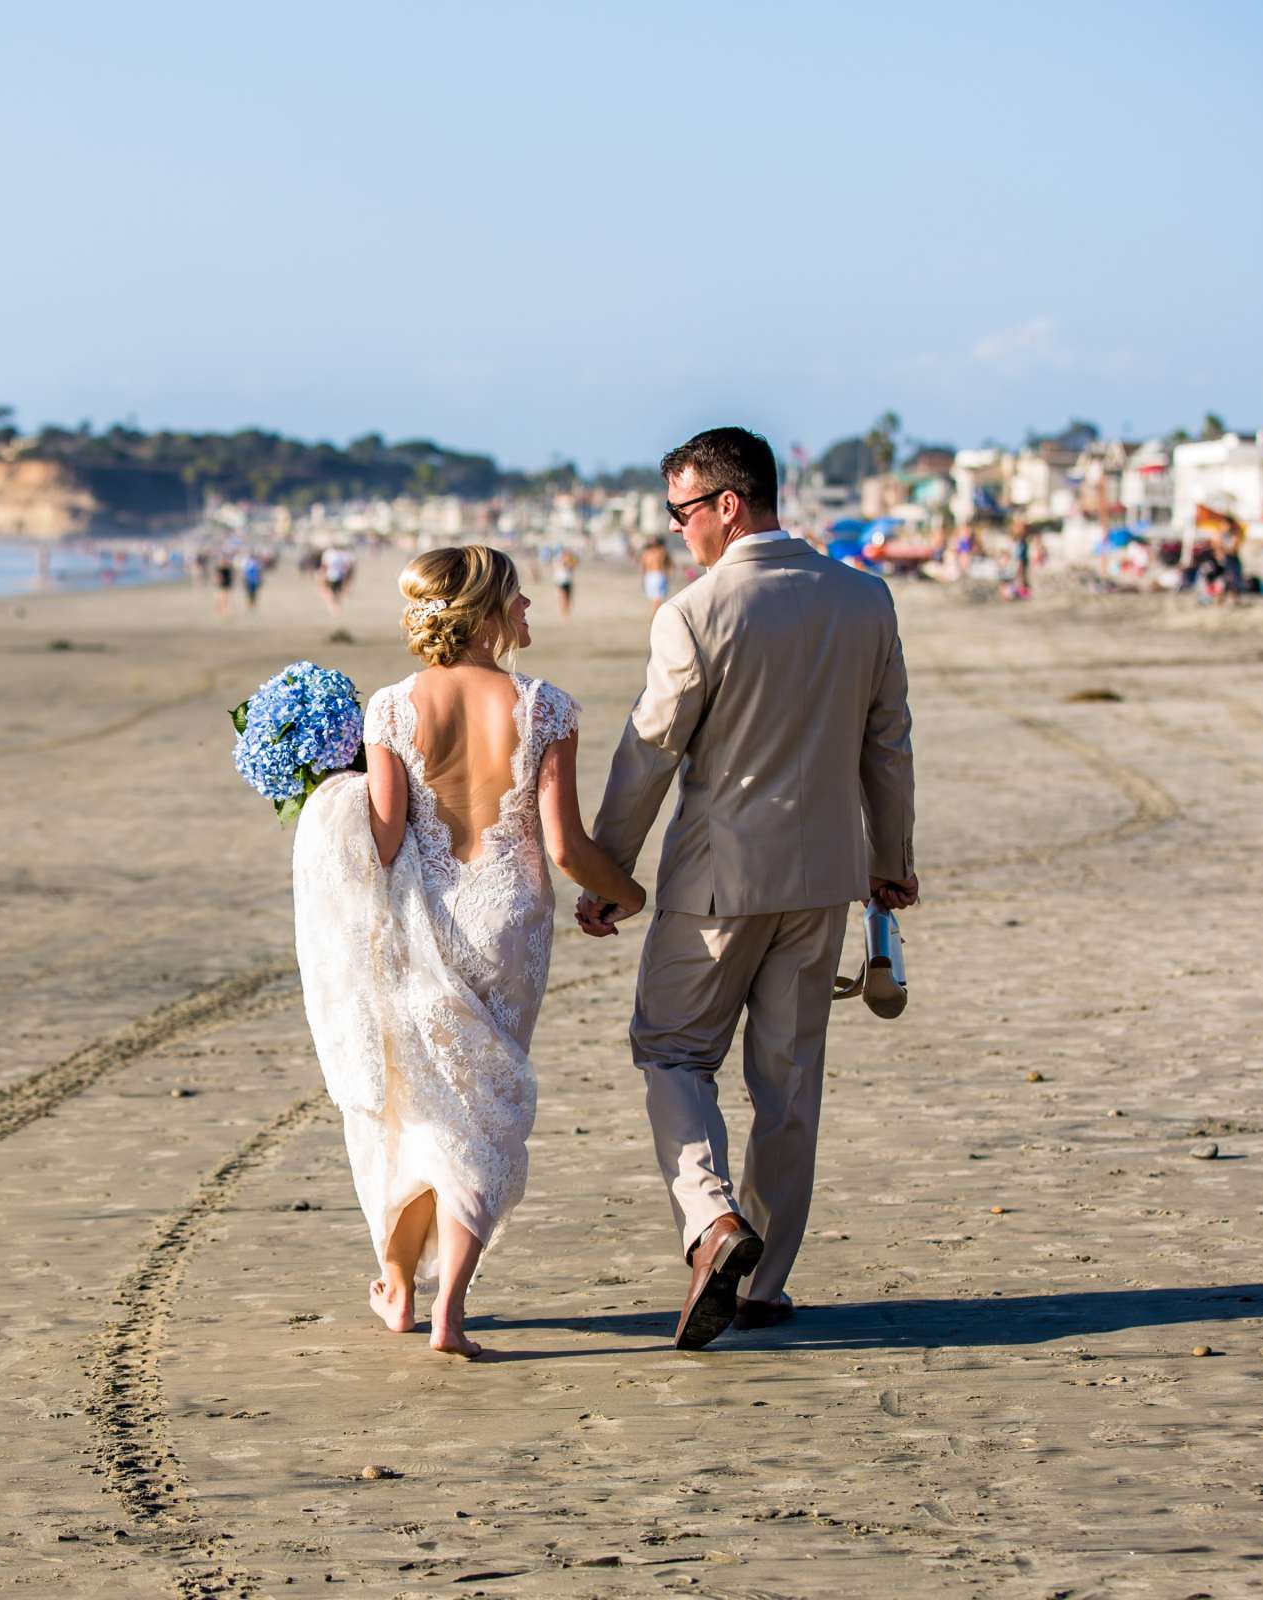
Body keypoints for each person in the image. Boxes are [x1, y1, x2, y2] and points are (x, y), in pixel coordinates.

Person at [579, 427, 916, 1351]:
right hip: (824, 879)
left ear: (730, 504)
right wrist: (891, 860)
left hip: (717, 884)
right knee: (789, 1083)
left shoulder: (695, 611)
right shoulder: (863, 598)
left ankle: (713, 1219)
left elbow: (650, 751)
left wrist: (610, 870)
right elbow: (887, 741)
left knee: (673, 1052)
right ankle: (764, 1283)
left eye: (685, 511)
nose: (680, 530)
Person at [292, 546, 650, 1359]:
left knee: (422, 1104)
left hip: (426, 923)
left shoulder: (388, 709)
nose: (528, 610)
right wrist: (627, 894)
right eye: (517, 598)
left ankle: (403, 1289)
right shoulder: (546, 707)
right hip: (511, 924)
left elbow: (382, 840)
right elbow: (565, 845)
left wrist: (325, 798)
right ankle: (447, 1305)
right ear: (487, 610)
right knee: (484, 1111)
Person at [319, 543, 356, 616]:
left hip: (331, 575)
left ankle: (333, 607)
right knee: (336, 592)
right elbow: (348, 567)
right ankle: (335, 607)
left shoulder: (329, 554)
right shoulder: (345, 554)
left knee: (327, 590)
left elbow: (325, 565)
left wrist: (322, 575)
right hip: (340, 576)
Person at [639, 537, 673, 616]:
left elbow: (643, 567)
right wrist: (668, 576)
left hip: (649, 576)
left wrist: (643, 579)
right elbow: (670, 565)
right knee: (658, 600)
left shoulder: (646, 553)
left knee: (655, 600)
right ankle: (656, 617)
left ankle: (656, 617)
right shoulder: (663, 552)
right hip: (659, 575)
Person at [550, 547, 579, 618]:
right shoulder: (558, 560)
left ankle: (566, 612)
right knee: (562, 597)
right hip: (560, 581)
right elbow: (556, 568)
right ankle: (563, 612)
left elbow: (574, 566)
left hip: (568, 581)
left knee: (568, 597)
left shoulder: (570, 562)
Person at [214, 547, 237, 616]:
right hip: (222, 584)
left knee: (225, 598)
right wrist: (218, 581)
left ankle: (222, 609)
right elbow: (218, 576)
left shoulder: (228, 567)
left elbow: (232, 575)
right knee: (222, 597)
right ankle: (222, 609)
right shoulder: (220, 568)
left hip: (227, 584)